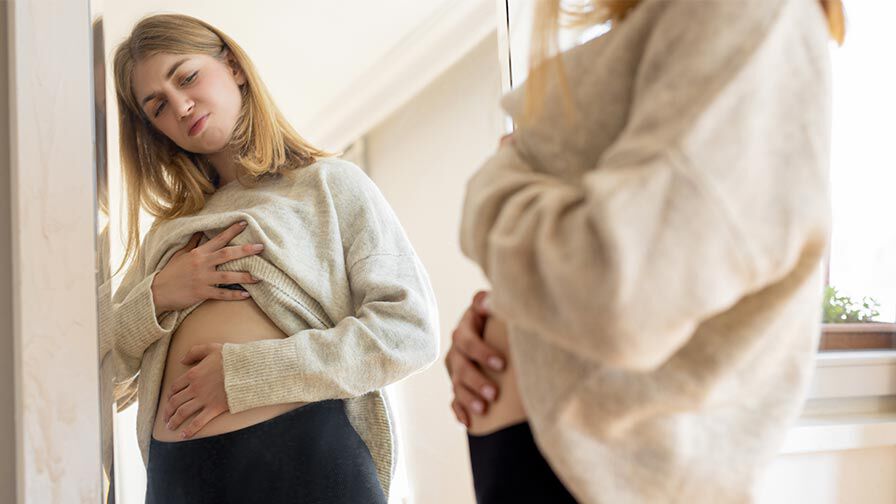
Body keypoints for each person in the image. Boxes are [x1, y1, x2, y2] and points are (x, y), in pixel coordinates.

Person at [447, 0, 845, 502]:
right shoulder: (673, 21)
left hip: (593, 476)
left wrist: (493, 184)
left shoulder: (748, 12)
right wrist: (512, 317)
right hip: (551, 462)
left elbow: (621, 287)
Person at [99, 13, 439, 504]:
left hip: (307, 462)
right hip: (181, 479)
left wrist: (243, 377)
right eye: (158, 106)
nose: (182, 105)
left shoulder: (329, 185)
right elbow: (94, 366)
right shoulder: (165, 237)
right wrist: (158, 295)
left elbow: (409, 332)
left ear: (233, 65)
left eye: (187, 77)